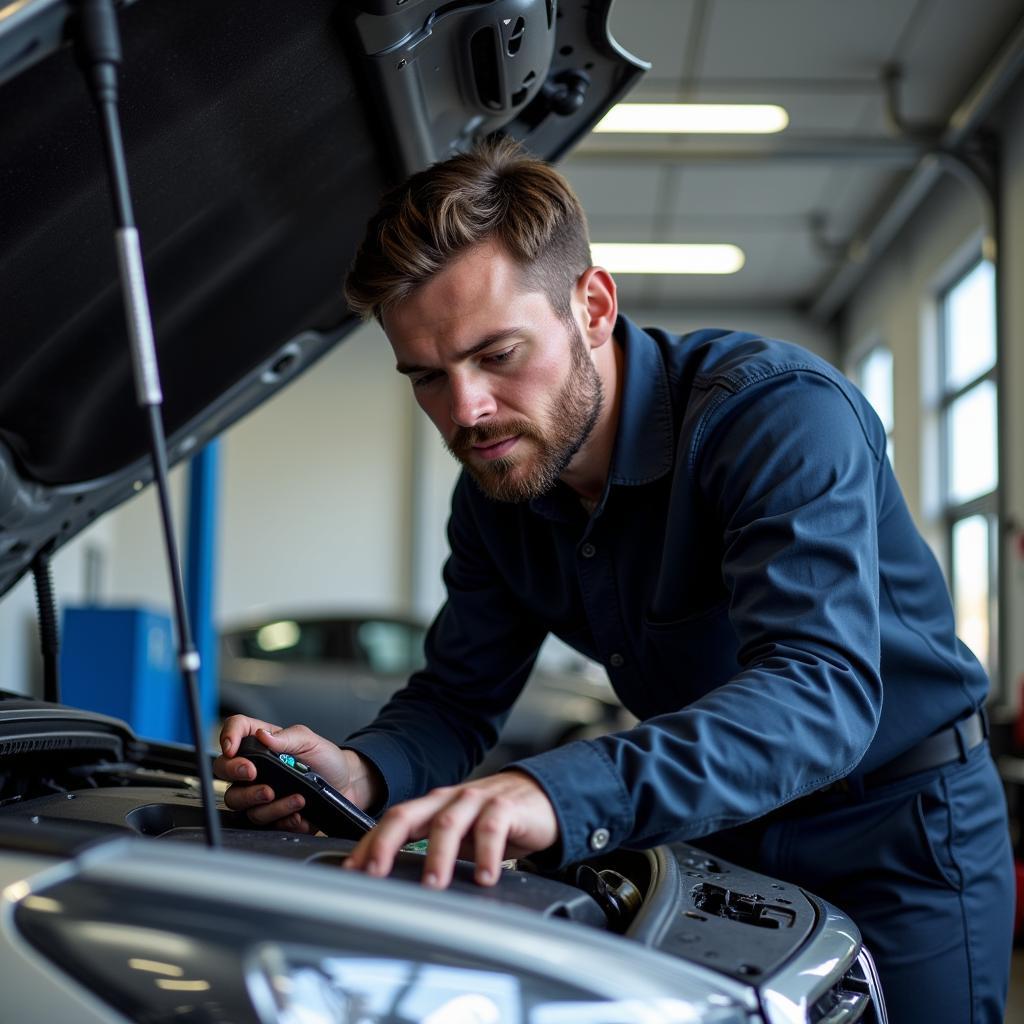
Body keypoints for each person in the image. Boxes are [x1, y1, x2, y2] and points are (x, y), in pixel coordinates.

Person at [215, 137, 1013, 1022]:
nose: (466, 410)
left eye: (498, 355)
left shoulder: (779, 417)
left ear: (591, 305)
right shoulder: (496, 492)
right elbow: (455, 698)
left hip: (898, 828)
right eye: (429, 378)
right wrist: (363, 770)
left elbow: (818, 693)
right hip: (718, 831)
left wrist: (554, 790)